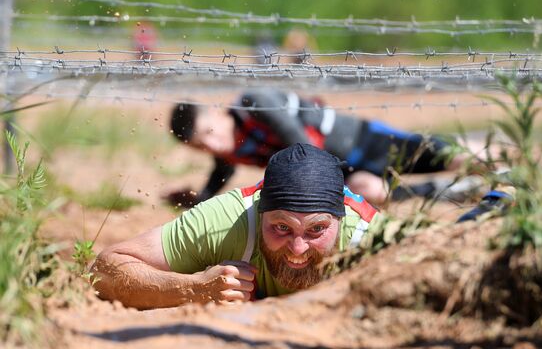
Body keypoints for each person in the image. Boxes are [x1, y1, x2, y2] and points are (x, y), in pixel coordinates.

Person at [91, 144, 382, 309]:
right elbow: (104, 270)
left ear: (342, 220)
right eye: (281, 227)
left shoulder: (370, 237)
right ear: (260, 211)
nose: (298, 248)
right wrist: (194, 289)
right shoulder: (228, 221)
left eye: (316, 230)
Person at [166, 88, 471, 207]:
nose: (212, 145)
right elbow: (223, 171)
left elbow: (302, 144)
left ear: (217, 112)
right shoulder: (230, 149)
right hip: (340, 168)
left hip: (365, 142)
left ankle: (503, 165)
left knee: (453, 157)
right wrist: (198, 200)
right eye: (201, 147)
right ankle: (443, 190)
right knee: (375, 193)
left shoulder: (253, 104)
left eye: (209, 133)